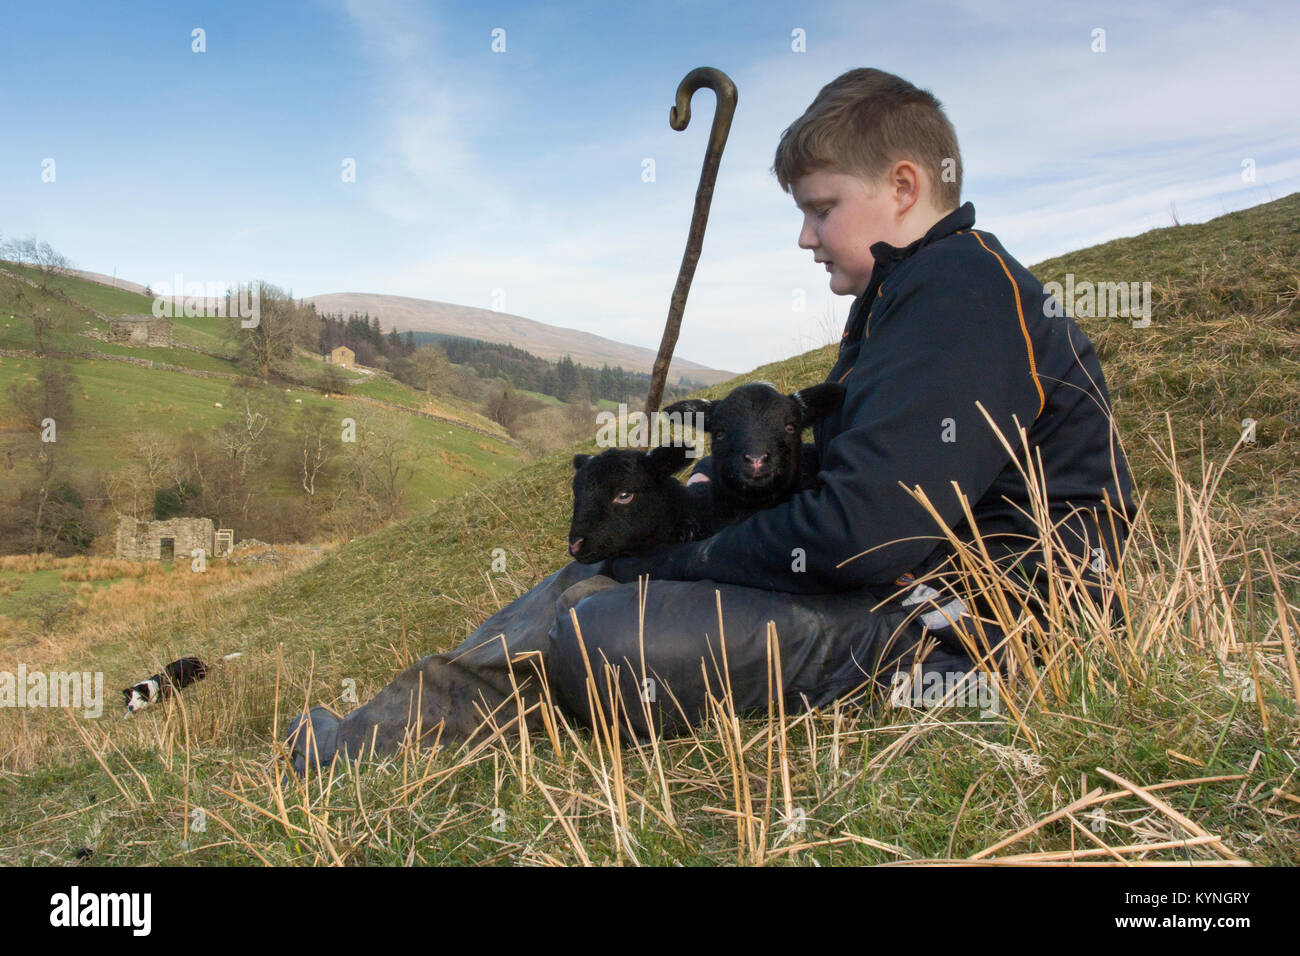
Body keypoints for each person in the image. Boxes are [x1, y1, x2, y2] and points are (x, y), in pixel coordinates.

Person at [284, 67, 1135, 775]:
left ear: (904, 186)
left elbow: (861, 533)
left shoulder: (962, 292)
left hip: (981, 626)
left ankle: (376, 744)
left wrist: (687, 557)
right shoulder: (904, 299)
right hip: (910, 592)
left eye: (821, 207)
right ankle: (369, 743)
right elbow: (830, 480)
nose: (805, 236)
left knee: (611, 632)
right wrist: (686, 501)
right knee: (605, 579)